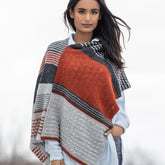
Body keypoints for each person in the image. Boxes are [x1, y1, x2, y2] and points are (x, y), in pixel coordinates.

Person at [30, 0, 131, 165]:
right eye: (82, 11)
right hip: (66, 146)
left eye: (94, 12)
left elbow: (119, 99)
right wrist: (54, 153)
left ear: (100, 16)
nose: (88, 18)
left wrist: (120, 124)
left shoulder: (108, 54)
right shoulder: (56, 51)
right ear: (71, 13)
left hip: (103, 145)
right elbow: (48, 105)